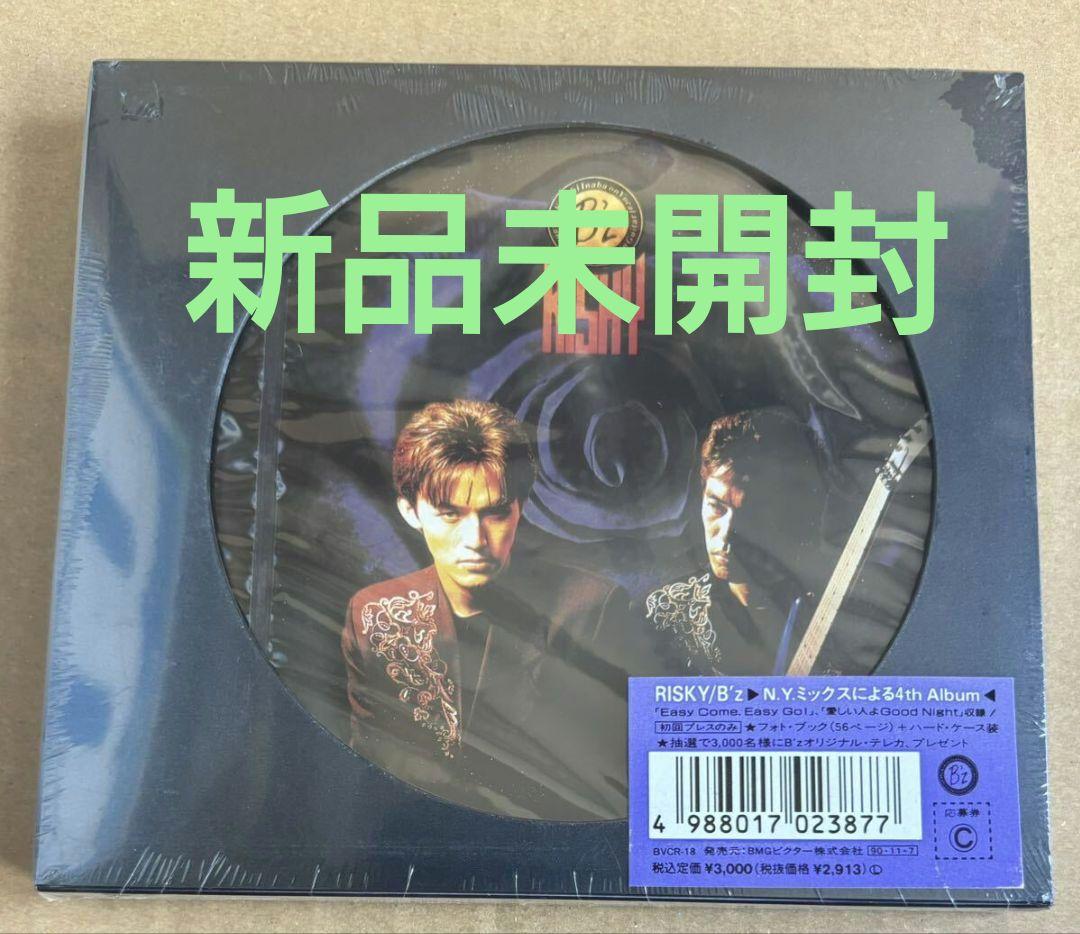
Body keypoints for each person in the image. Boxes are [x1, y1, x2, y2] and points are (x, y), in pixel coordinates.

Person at [341, 399, 631, 819]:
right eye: (449, 514)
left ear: (520, 509)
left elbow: (602, 778)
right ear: (410, 512)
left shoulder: (590, 607)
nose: (475, 540)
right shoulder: (374, 614)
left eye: (494, 513)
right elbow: (374, 765)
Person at [641, 412, 809, 676]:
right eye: (716, 506)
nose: (727, 533)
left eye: (751, 513)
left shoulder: (829, 604)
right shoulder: (664, 615)